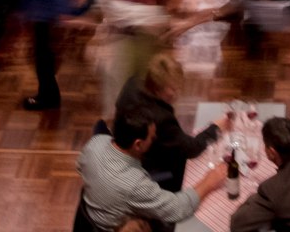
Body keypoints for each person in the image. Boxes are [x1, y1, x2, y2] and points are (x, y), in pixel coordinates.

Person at [75, 99, 226, 231]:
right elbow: (177, 209)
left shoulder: (96, 143)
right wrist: (209, 181)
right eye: (152, 137)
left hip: (90, 217)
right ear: (138, 144)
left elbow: (80, 167)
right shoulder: (134, 185)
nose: (155, 138)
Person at [114, 54, 223, 191]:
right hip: (149, 172)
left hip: (124, 157)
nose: (177, 93)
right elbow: (192, 148)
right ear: (157, 88)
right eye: (173, 89)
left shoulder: (132, 83)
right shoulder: (162, 119)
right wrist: (216, 127)